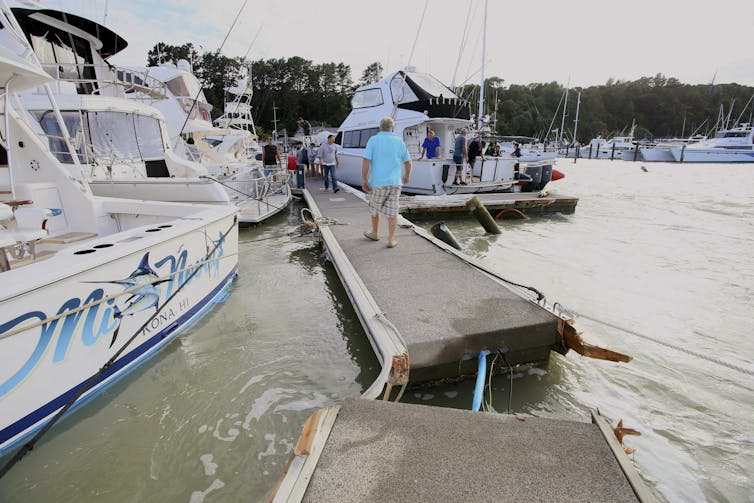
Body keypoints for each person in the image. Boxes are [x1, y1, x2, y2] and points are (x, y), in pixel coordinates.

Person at [361, 116, 411, 249]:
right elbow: (408, 161)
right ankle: (391, 239)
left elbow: (366, 160)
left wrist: (364, 178)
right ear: (392, 128)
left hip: (378, 183)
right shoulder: (399, 141)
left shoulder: (374, 140)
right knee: (392, 211)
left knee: (375, 208)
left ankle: (375, 232)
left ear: (380, 128)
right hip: (395, 182)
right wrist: (407, 175)